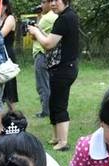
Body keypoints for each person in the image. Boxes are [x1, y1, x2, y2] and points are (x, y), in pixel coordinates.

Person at [27, 0, 80, 151]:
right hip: (62, 67)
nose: (53, 4)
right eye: (51, 1)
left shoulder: (65, 18)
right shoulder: (67, 16)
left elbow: (49, 44)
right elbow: (53, 39)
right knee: (53, 102)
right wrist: (39, 31)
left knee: (59, 104)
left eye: (56, 1)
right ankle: (56, 137)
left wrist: (36, 32)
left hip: (64, 68)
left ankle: (63, 142)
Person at [32, 0, 57, 118]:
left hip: (41, 53)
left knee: (42, 84)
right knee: (48, 83)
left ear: (49, 3)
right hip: (49, 54)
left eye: (43, 2)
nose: (41, 5)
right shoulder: (54, 16)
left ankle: (45, 110)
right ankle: (50, 108)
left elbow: (33, 35)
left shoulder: (46, 18)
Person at [0, 0, 19, 110]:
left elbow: (1, 35)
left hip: (7, 54)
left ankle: (12, 113)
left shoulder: (10, 18)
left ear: (5, 6)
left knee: (9, 85)